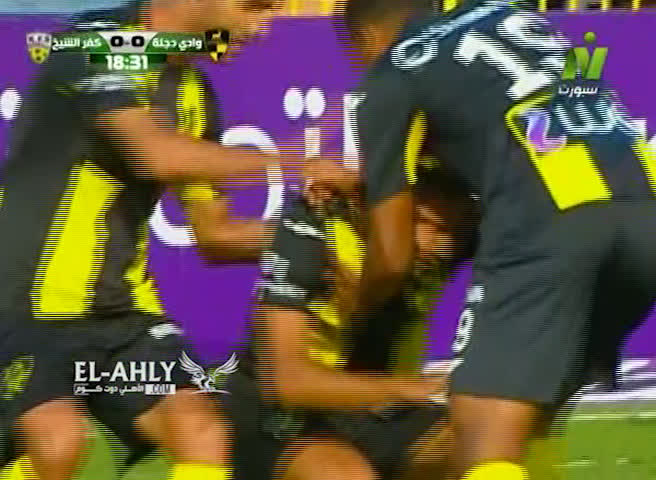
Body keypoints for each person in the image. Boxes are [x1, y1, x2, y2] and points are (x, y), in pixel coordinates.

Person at [0, 1, 347, 479]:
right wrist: (298, 163)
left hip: (122, 320)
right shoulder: (95, 40)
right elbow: (156, 155)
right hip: (22, 309)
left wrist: (330, 238)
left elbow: (215, 236)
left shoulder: (194, 95)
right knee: (59, 444)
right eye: (254, 7)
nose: (262, 26)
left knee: (201, 430)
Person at [320, 0, 656, 479]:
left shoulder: (392, 72)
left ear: (364, 38)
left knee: (479, 428)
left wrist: (350, 313)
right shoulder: (510, 13)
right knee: (530, 421)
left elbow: (392, 258)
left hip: (548, 225)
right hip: (643, 216)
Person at [218, 165, 478, 480]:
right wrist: (419, 388)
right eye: (421, 221)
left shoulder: (449, 246)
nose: (435, 243)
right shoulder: (314, 231)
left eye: (451, 230)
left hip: (367, 412)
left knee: (483, 433)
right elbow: (288, 384)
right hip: (278, 416)